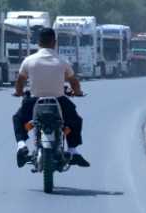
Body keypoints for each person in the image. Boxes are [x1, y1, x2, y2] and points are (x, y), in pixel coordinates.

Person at [12, 27, 89, 168]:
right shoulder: (62, 61)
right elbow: (73, 81)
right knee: (75, 120)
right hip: (59, 100)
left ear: (39, 42)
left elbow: (20, 81)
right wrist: (77, 92)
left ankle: (21, 145)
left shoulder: (29, 60)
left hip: (35, 101)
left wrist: (18, 92)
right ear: (55, 42)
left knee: (18, 119)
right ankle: (73, 150)